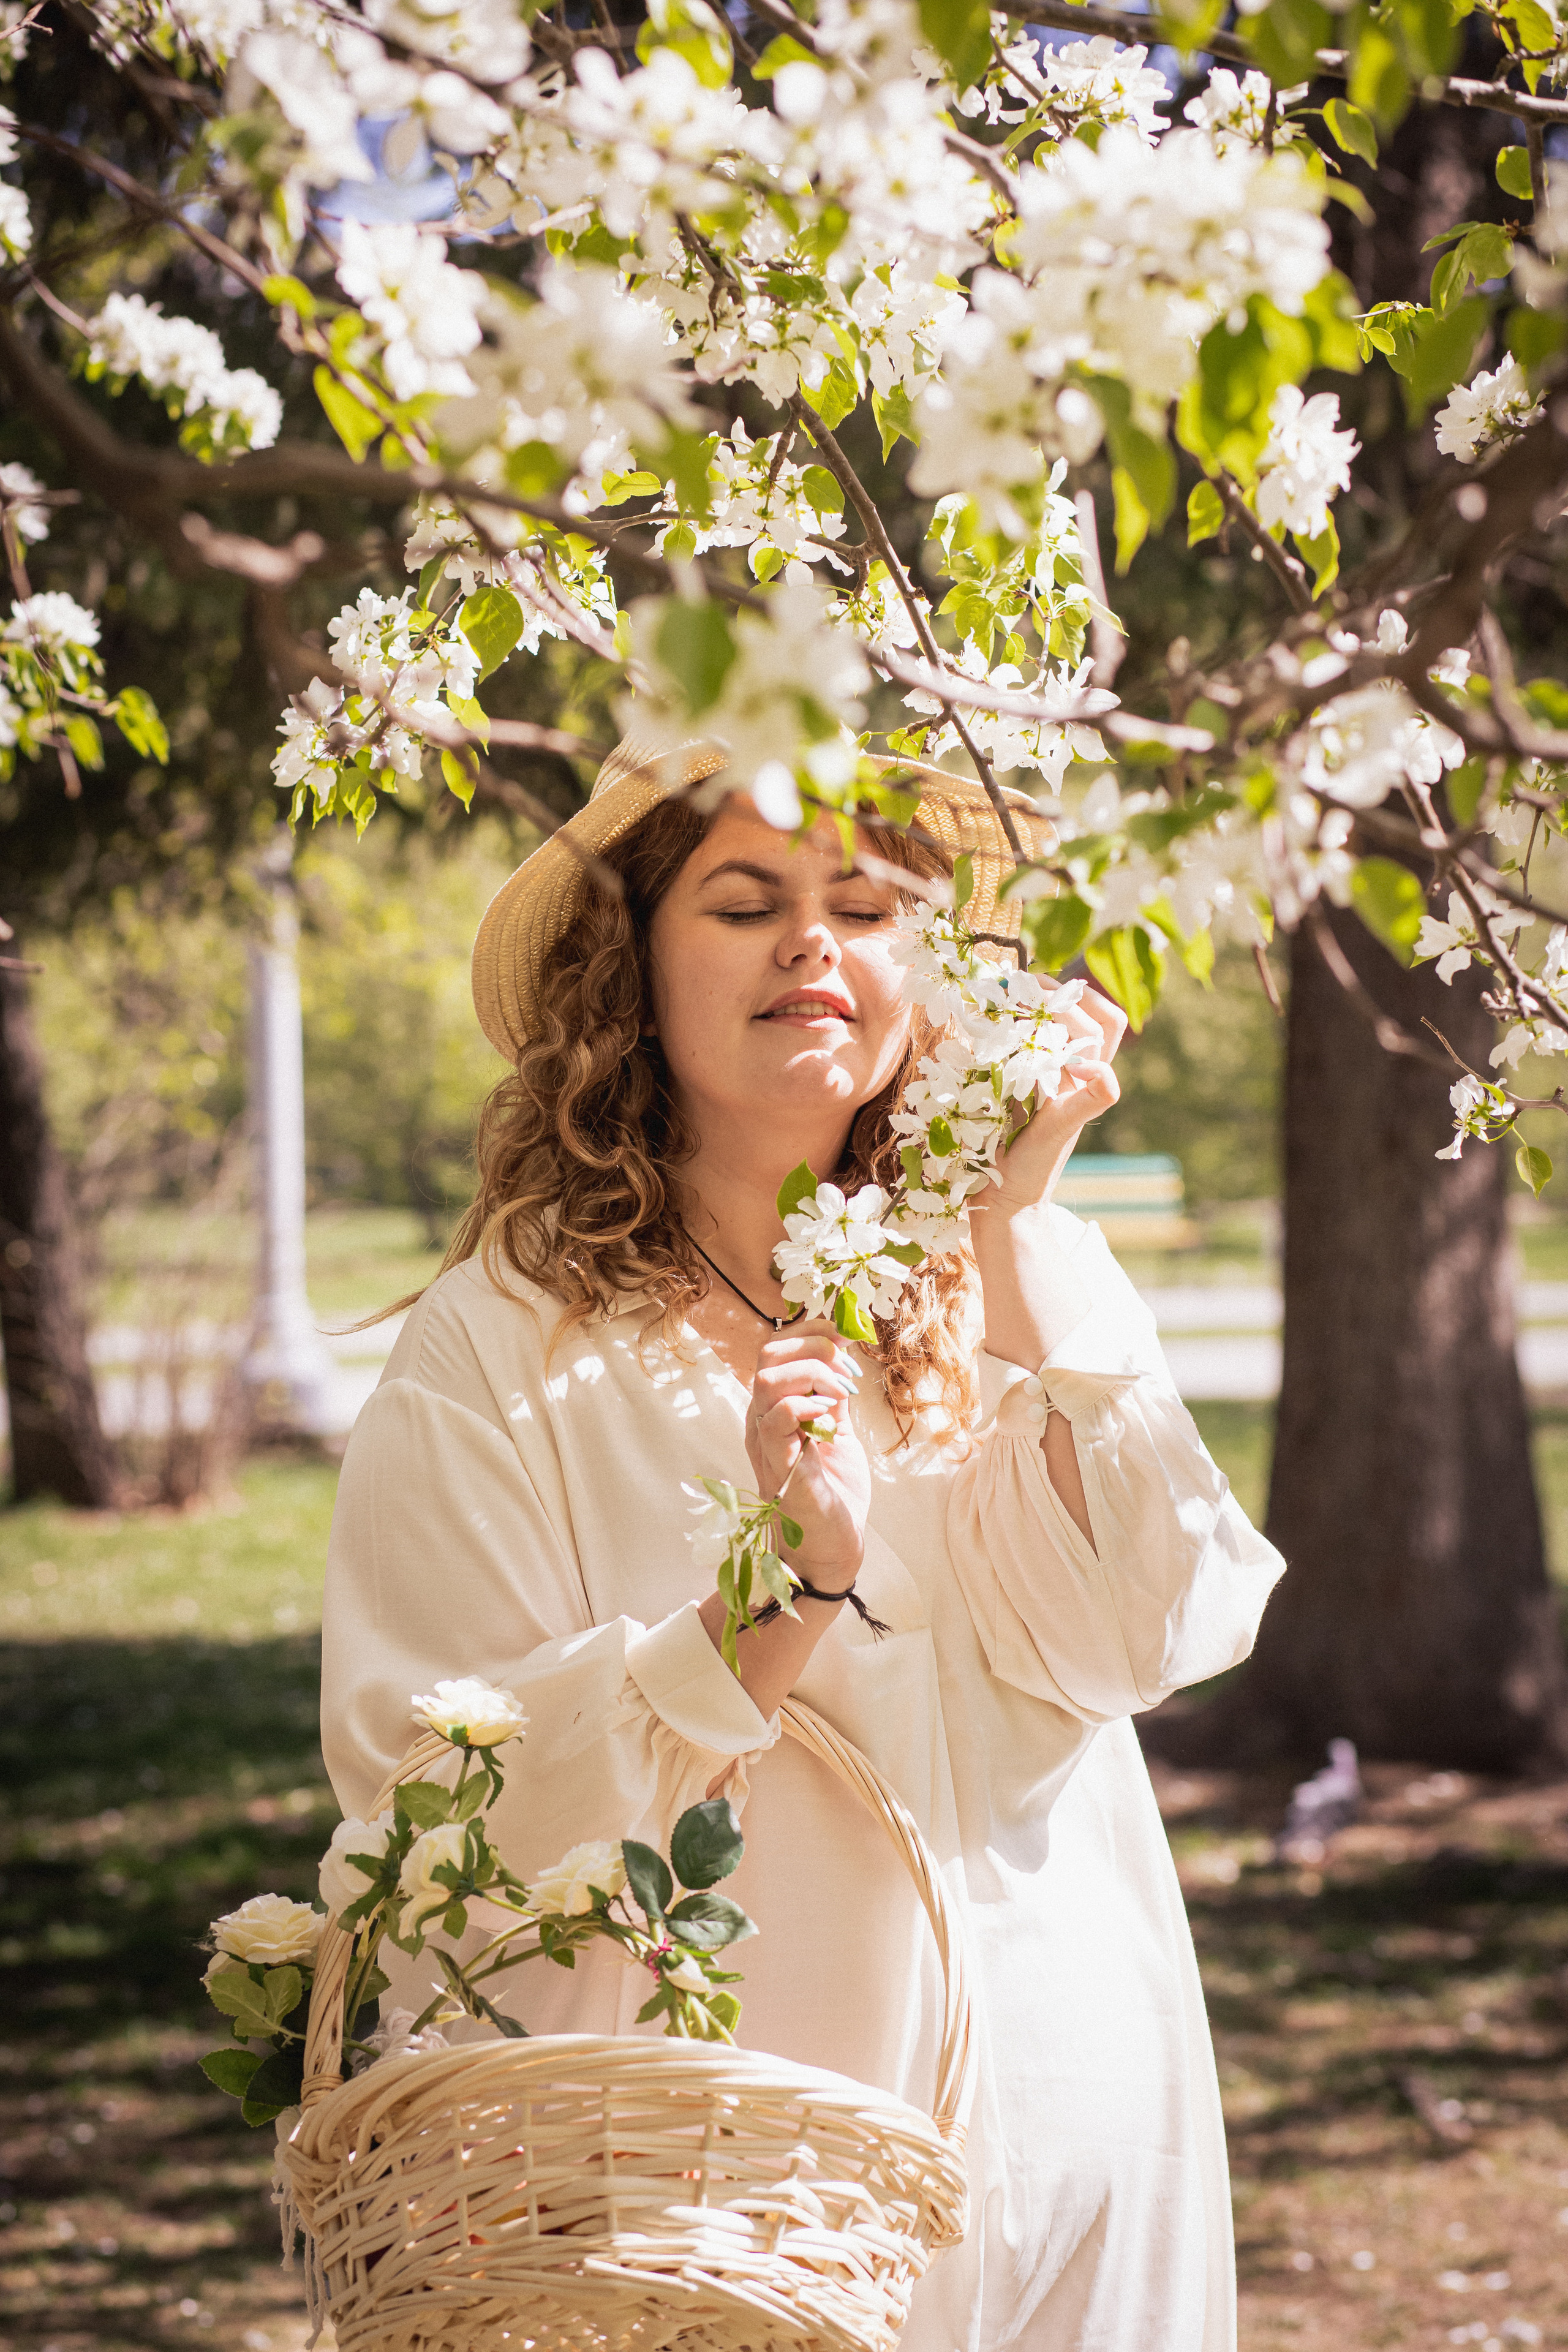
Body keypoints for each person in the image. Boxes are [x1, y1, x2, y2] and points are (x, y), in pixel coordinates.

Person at [321, 736, 1286, 2352]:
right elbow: (432, 1800)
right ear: (630, 968)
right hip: (737, 2170)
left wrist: (1015, 1229)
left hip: (1080, 2101)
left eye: (866, 904)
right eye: (744, 902)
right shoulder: (511, 1341)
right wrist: (774, 1603)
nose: (812, 944)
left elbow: (1154, 1629)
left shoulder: (1008, 1265)